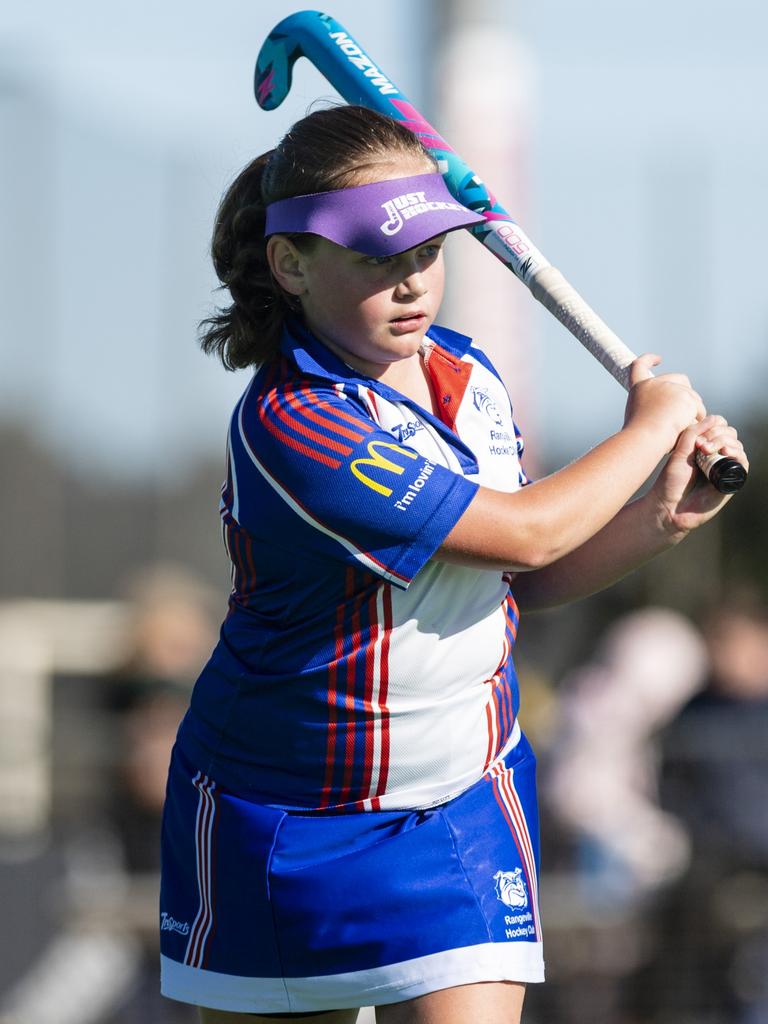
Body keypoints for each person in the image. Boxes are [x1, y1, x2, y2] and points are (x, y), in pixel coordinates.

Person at [158, 104, 747, 1024]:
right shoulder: (293, 425)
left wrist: (657, 518)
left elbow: (518, 579)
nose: (410, 285)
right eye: (375, 258)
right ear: (291, 264)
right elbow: (526, 533)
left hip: (461, 804)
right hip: (278, 822)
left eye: (425, 254)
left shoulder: (469, 378)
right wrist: (649, 426)